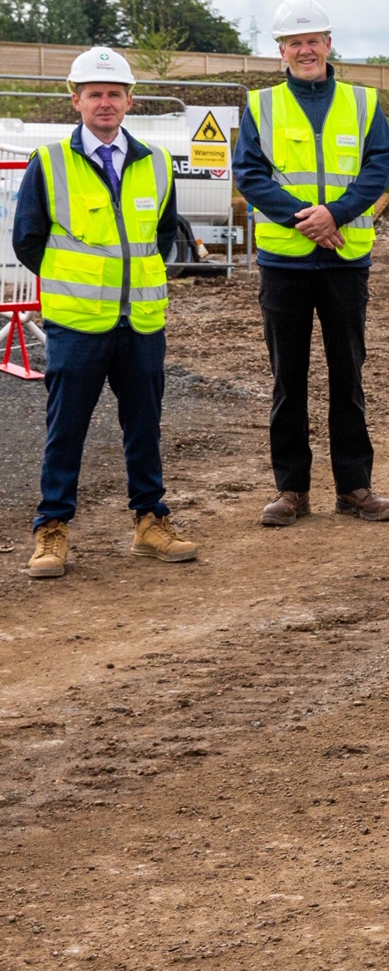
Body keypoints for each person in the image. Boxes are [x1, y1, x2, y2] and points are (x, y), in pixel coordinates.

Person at [12, 47, 197, 578]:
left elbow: (162, 236)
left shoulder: (156, 163)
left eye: (115, 93)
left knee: (144, 425)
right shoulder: (48, 163)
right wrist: (82, 287)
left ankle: (150, 520)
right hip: (76, 325)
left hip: (141, 323)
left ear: (130, 100)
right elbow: (29, 241)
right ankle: (52, 529)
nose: (106, 102)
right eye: (95, 93)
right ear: (76, 100)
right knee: (65, 428)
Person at [233, 0, 389, 528]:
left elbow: (378, 168)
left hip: (346, 261)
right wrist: (306, 219)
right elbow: (251, 174)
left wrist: (337, 215)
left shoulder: (364, 102)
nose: (305, 50)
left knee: (348, 373)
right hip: (285, 263)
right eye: (295, 43)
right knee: (289, 378)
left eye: (314, 40)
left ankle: (354, 486)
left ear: (329, 44)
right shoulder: (261, 106)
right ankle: (291, 489)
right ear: (280, 51)